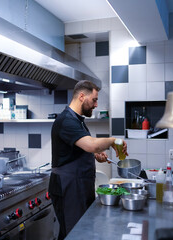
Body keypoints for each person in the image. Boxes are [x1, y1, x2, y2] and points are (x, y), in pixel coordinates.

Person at [49, 80, 128, 240]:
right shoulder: (67, 121)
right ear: (82, 96)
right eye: (94, 100)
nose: (96, 104)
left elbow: (81, 147)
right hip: (68, 187)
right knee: (72, 234)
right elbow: (91, 144)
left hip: (79, 186)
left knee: (82, 231)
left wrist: (94, 155)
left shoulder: (78, 121)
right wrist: (113, 141)